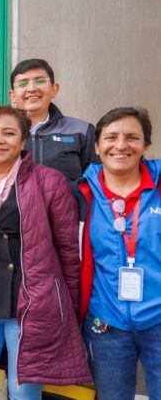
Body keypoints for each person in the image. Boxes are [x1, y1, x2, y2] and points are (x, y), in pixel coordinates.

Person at [0, 106, 90, 400]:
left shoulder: (49, 182)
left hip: (30, 303)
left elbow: (67, 249)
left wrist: (70, 306)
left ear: (24, 140)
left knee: (22, 390)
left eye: (9, 133)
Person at [75, 107, 161, 399]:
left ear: (145, 146)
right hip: (105, 324)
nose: (121, 145)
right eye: (111, 137)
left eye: (132, 137)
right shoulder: (81, 194)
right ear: (97, 146)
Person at [0, 58, 96, 181]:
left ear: (54, 89)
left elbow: (96, 181)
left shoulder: (82, 130)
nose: (32, 88)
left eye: (40, 81)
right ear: (12, 95)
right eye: (23, 83)